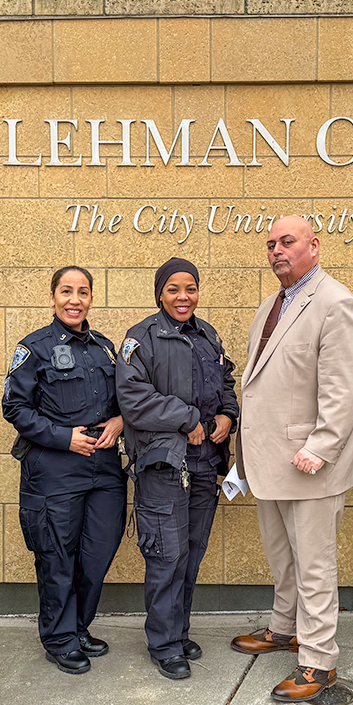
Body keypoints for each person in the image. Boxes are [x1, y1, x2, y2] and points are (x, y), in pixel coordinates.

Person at [230, 215, 353, 702]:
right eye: (270, 243)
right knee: (282, 557)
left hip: (310, 463)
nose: (276, 251)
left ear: (314, 246)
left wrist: (321, 447)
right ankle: (284, 627)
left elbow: (345, 387)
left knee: (314, 566)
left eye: (287, 242)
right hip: (269, 462)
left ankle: (318, 661)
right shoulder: (272, 304)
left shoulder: (336, 304)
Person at [117, 258, 239, 680]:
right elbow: (133, 399)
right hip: (164, 466)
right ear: (160, 293)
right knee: (167, 556)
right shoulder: (141, 338)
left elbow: (226, 384)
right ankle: (164, 643)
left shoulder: (209, 337)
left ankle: (178, 630)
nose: (183, 297)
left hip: (205, 465)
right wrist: (186, 418)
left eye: (190, 288)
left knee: (191, 553)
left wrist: (227, 415)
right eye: (173, 289)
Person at [2, 266, 127, 675]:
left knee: (97, 553)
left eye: (83, 292)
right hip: (54, 470)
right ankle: (59, 638)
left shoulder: (106, 349)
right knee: (57, 556)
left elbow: (126, 400)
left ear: (92, 298)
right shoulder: (33, 348)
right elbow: (14, 408)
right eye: (66, 291)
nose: (75, 300)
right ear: (53, 296)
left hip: (105, 469)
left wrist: (119, 422)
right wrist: (62, 437)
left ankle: (78, 627)